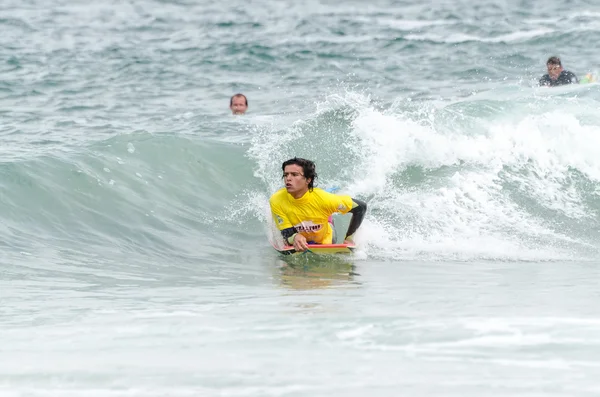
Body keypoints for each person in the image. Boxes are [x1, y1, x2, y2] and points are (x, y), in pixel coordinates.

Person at [269, 157, 367, 252]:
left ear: (308, 179)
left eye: (294, 174)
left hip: (325, 238)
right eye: (286, 175)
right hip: (296, 233)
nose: (288, 179)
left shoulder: (325, 199)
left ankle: (328, 217)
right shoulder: (277, 199)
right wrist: (294, 236)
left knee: (324, 210)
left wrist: (349, 238)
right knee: (287, 240)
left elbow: (360, 207)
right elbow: (286, 231)